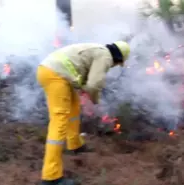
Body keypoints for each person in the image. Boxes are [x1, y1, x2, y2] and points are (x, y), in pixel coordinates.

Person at [36, 41, 130, 185]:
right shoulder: (105, 56)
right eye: (118, 63)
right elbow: (93, 85)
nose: (115, 66)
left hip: (54, 72)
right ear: (118, 58)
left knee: (74, 108)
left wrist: (89, 94)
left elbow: (86, 79)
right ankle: (51, 177)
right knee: (59, 122)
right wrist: (95, 102)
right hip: (55, 75)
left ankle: (75, 144)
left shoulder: (98, 50)